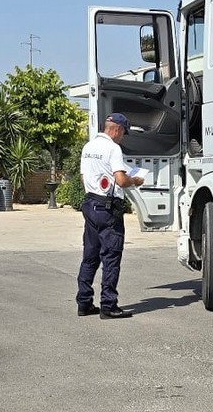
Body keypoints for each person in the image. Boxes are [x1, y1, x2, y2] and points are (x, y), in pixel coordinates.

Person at [76, 113, 144, 319]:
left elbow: (83, 177)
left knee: (90, 256)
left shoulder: (88, 147)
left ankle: (84, 302)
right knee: (111, 256)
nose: (123, 137)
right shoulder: (113, 149)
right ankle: (108, 305)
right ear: (117, 130)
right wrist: (135, 180)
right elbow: (121, 180)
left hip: (90, 202)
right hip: (108, 207)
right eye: (123, 132)